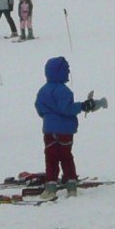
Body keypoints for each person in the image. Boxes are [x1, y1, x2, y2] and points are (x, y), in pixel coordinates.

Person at [35, 57, 102, 194]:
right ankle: (71, 183)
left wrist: (48, 118)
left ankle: (51, 185)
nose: (68, 72)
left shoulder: (43, 91)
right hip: (65, 131)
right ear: (59, 72)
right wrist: (82, 106)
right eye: (66, 70)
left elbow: (39, 109)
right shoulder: (64, 91)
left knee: (51, 158)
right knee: (66, 156)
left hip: (49, 131)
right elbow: (67, 109)